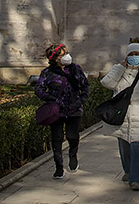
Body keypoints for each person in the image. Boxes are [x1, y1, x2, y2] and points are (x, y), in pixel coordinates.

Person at [101, 40, 139, 191]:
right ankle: (128, 170)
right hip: (122, 115)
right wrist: (119, 68)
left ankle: (135, 179)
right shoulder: (120, 71)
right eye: (131, 55)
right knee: (124, 147)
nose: (134, 57)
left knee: (137, 147)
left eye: (137, 54)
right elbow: (107, 83)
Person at [34, 43, 90, 178]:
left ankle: (73, 155)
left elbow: (85, 85)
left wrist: (81, 99)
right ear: (55, 59)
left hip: (74, 108)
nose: (66, 56)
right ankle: (59, 167)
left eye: (66, 53)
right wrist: (51, 99)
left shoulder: (75, 69)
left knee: (72, 136)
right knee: (57, 138)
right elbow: (39, 89)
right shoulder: (48, 73)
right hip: (56, 111)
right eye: (62, 55)